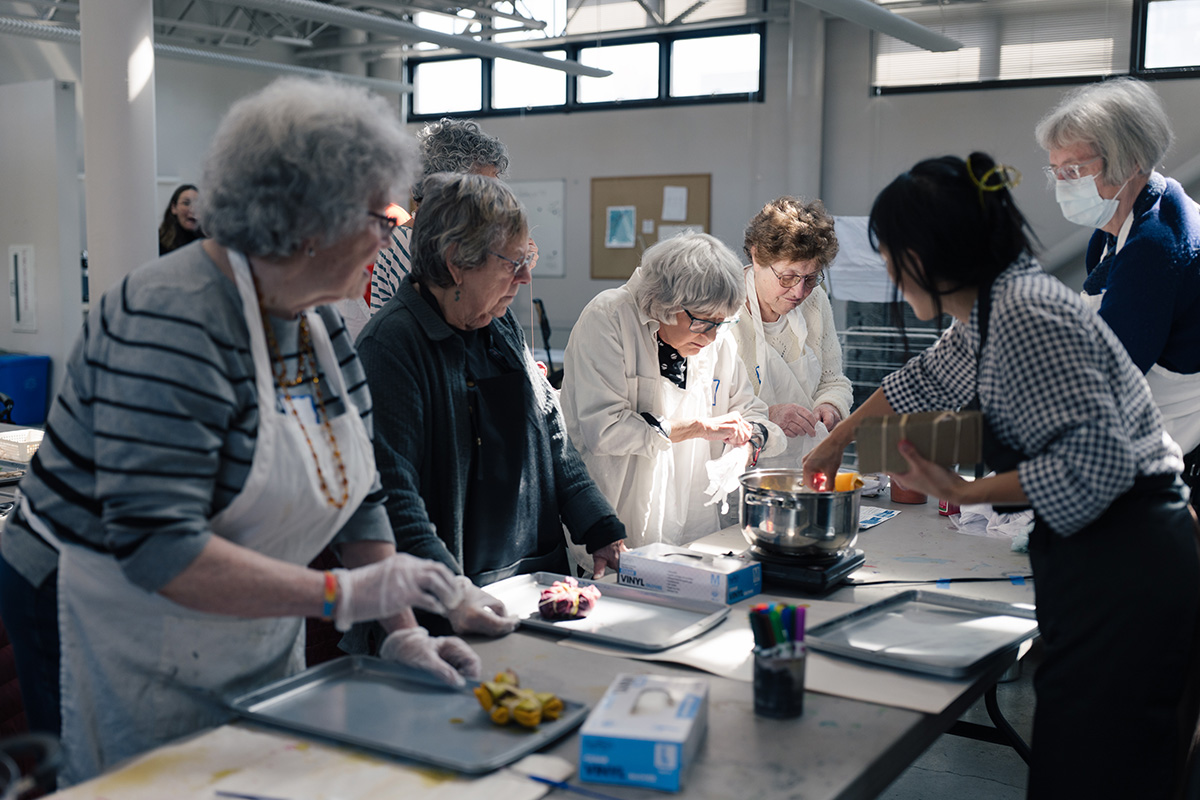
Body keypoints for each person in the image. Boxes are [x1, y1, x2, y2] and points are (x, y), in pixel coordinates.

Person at [0, 77, 503, 786]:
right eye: (387, 214)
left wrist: (403, 632)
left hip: (241, 599)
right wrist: (339, 596)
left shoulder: (318, 318)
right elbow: (156, 548)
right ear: (308, 221)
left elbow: (358, 491)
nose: (398, 235)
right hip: (105, 609)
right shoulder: (169, 317)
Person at [803, 153, 1200, 799]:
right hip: (1109, 549)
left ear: (930, 253)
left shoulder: (1026, 316)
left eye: (890, 252)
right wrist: (836, 443)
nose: (884, 270)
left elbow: (1093, 464)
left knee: (1099, 768)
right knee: (1078, 754)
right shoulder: (994, 308)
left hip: (1128, 559)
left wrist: (963, 491)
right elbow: (924, 379)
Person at [356, 172, 626, 605]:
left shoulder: (498, 324)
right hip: (450, 598)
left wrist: (599, 527)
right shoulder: (391, 346)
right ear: (455, 263)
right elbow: (394, 497)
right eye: (511, 262)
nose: (523, 279)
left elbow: (552, 436)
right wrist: (455, 595)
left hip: (534, 580)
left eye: (528, 259)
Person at [560, 232, 785, 566]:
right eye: (701, 322)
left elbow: (752, 411)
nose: (709, 337)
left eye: (720, 323)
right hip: (614, 527)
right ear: (664, 302)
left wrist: (748, 440)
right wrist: (698, 427)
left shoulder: (716, 338)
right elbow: (605, 430)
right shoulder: (609, 317)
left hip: (693, 525)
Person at [1035, 77, 1200, 508]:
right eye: (1055, 170)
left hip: (1180, 446)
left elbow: (1105, 373)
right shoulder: (1110, 233)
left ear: (1128, 162)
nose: (1062, 183)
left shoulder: (1157, 243)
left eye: (1073, 169)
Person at [731, 197, 852, 467]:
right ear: (756, 256)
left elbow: (834, 381)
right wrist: (766, 416)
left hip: (802, 464)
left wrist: (830, 406)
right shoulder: (725, 309)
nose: (799, 292)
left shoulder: (815, 302)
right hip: (738, 468)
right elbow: (705, 408)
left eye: (810, 278)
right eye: (788, 277)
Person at [366, 118, 514, 322]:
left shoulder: (447, 240)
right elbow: (458, 321)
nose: (493, 202)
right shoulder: (410, 243)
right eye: (484, 190)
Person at [157, 183, 205, 255]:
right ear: (173, 208)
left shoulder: (209, 241)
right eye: (186, 203)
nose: (193, 209)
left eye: (197, 204)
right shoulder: (159, 242)